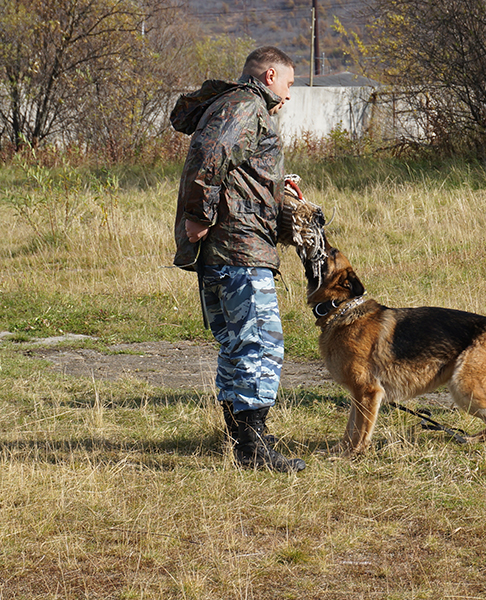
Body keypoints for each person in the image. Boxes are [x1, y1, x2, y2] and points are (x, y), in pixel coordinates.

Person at [170, 46, 306, 471]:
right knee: (260, 344)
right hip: (239, 250)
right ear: (269, 76)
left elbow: (234, 170)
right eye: (288, 83)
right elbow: (208, 156)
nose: (289, 94)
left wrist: (277, 188)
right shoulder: (245, 106)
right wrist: (198, 215)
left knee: (236, 345)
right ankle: (253, 447)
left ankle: (241, 440)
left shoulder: (239, 107)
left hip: (233, 249)